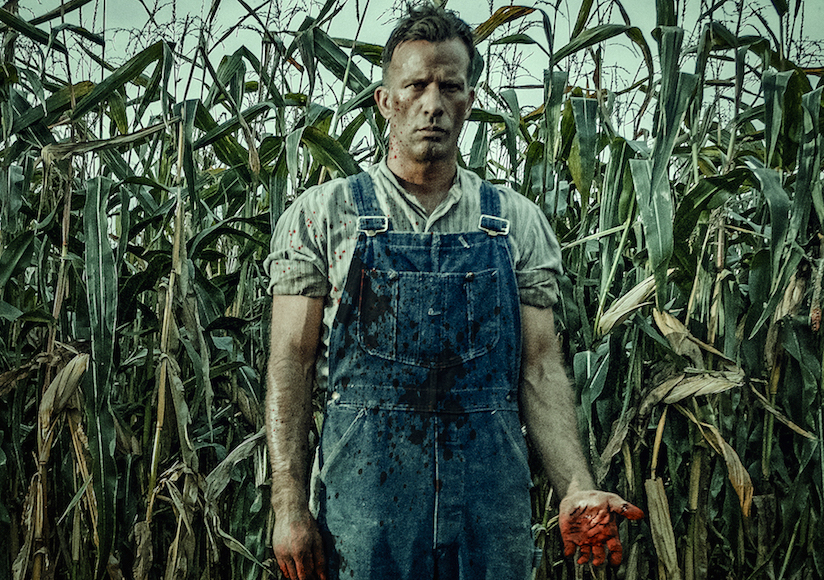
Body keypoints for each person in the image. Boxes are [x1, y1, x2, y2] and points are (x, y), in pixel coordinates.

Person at [263, 3, 643, 580]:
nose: (433, 104)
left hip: (488, 508)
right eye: (416, 85)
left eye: (450, 87)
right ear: (385, 100)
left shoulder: (514, 222)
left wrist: (576, 487)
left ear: (469, 100)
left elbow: (540, 368)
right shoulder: (325, 215)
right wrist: (289, 505)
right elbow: (290, 361)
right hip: (365, 510)